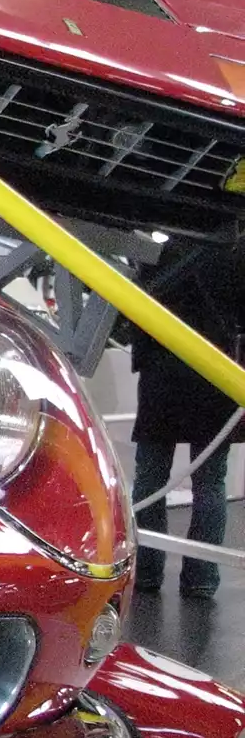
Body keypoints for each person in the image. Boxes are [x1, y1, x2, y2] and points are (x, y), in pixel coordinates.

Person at [129, 239, 245, 597]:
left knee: (150, 481)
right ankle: (201, 578)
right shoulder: (231, 255)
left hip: (161, 378)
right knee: (210, 484)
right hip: (215, 376)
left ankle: (147, 572)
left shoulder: (155, 253)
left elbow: (133, 314)